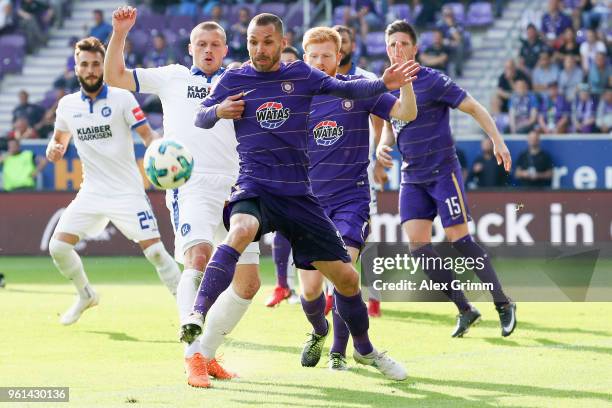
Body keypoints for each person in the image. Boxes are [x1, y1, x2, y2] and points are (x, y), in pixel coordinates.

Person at [185, 13, 418, 380]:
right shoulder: (234, 77)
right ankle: (197, 314)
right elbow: (199, 116)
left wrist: (384, 84)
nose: (259, 49)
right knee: (241, 228)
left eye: (266, 42)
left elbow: (348, 91)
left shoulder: (301, 76)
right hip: (255, 185)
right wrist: (217, 110)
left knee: (347, 280)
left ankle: (365, 350)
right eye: (252, 41)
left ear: (281, 43)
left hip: (299, 195)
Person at [105, 7, 261, 388]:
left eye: (215, 45)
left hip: (238, 187)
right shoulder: (172, 77)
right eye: (202, 44)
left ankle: (206, 353)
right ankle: (191, 356)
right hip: (191, 183)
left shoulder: (240, 77)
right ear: (190, 47)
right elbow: (114, 76)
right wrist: (121, 33)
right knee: (199, 257)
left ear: (226, 49)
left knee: (248, 284)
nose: (208, 50)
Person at [377, 20, 517, 338]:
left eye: (402, 44)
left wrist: (497, 140)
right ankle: (465, 308)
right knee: (418, 246)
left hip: (442, 171)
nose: (396, 49)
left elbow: (475, 108)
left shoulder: (433, 80)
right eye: (391, 44)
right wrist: (383, 148)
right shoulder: (385, 84)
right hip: (412, 177)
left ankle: (503, 303)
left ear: (415, 48)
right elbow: (389, 125)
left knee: (460, 240)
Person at [297, 26, 418, 371]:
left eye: (326, 56)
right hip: (307, 207)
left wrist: (405, 80)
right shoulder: (294, 99)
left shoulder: (358, 90)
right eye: (314, 56)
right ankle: (319, 331)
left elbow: (406, 114)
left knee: (345, 275)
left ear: (339, 57)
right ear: (305, 58)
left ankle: (352, 351)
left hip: (350, 201)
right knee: (309, 291)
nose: (320, 62)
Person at [45, 37, 181, 329]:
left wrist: (160, 150)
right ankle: (86, 295)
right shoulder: (67, 105)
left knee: (157, 252)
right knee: (58, 248)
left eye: (96, 64)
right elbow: (57, 142)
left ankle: (190, 312)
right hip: (91, 191)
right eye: (85, 64)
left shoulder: (121, 97)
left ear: (102, 65)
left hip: (127, 192)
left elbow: (147, 135)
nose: (91, 70)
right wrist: (53, 150)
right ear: (76, 68)